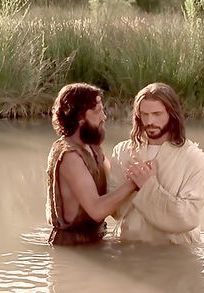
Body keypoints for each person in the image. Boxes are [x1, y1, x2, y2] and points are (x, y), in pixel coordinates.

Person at [46, 83, 154, 246]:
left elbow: (113, 184)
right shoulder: (69, 156)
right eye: (97, 111)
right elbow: (97, 210)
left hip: (94, 241)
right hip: (72, 247)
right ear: (79, 117)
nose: (103, 117)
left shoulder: (92, 147)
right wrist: (134, 183)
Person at [108, 82, 204, 245]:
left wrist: (148, 186)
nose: (150, 121)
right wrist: (132, 185)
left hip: (174, 253)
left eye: (157, 114)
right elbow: (115, 210)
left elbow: (190, 216)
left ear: (172, 114)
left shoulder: (192, 157)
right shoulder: (123, 151)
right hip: (129, 250)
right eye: (144, 114)